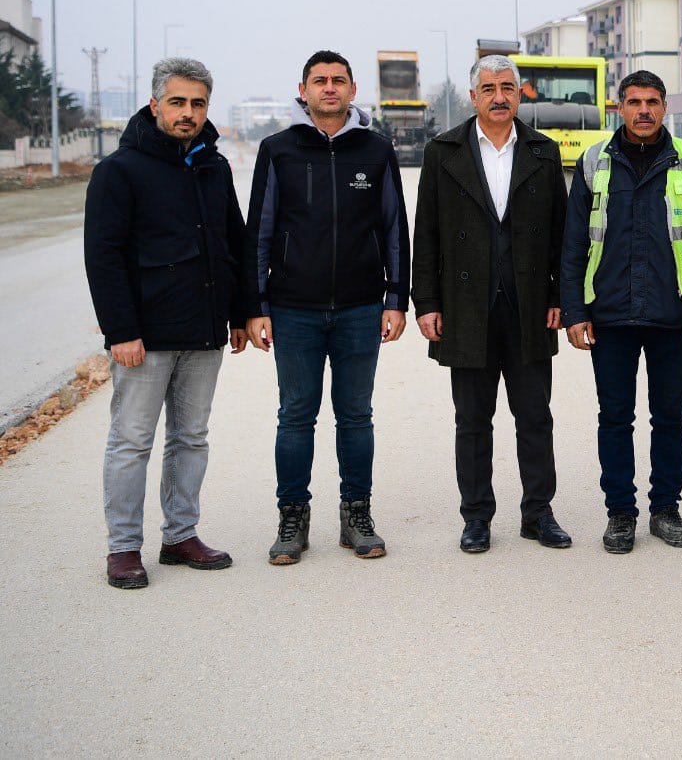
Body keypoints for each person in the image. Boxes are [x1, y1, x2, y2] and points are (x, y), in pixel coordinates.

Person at [84, 58, 251, 589]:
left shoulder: (214, 166)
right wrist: (120, 331)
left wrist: (241, 312)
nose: (188, 113)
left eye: (198, 103)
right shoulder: (120, 170)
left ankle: (181, 535)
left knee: (191, 437)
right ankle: (123, 548)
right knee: (132, 440)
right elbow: (103, 255)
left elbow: (233, 241)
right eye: (177, 102)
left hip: (203, 329)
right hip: (144, 335)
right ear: (155, 104)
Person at [245, 50, 410, 565]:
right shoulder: (278, 150)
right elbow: (261, 231)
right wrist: (257, 304)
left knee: (356, 415)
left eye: (339, 81)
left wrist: (396, 297)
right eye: (320, 81)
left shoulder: (377, 150)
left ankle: (356, 515)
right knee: (295, 415)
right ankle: (292, 519)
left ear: (353, 90)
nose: (330, 89)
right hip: (294, 309)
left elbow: (393, 228)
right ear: (304, 89)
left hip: (361, 308)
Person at [413, 55, 569, 555]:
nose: (499, 96)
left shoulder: (544, 152)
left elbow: (563, 237)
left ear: (520, 95)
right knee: (473, 421)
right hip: (465, 307)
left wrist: (557, 297)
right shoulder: (443, 151)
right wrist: (427, 302)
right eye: (489, 88)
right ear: (473, 96)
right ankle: (476, 517)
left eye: (508, 87)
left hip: (528, 308)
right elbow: (427, 234)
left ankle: (538, 513)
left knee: (535, 417)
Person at [559, 70, 682, 554]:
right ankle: (621, 514)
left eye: (652, 102)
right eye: (634, 102)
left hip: (674, 314)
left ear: (665, 107)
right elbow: (572, 246)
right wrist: (574, 312)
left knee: (670, 418)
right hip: (608, 314)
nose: (643, 110)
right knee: (615, 418)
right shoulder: (593, 162)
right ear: (619, 108)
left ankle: (666, 510)